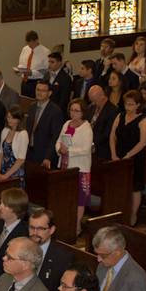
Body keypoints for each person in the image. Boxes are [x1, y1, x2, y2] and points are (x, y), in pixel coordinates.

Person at [111, 91, 146, 224]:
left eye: (131, 104)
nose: (128, 107)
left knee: (135, 186)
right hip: (119, 155)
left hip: (135, 157)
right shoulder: (120, 115)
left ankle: (133, 214)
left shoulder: (143, 119)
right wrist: (113, 154)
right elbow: (112, 135)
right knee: (118, 185)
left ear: (138, 105)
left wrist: (128, 156)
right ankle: (119, 212)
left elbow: (143, 142)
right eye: (126, 104)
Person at [58, 99, 93, 235]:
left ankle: (77, 225)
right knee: (66, 196)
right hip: (65, 166)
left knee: (80, 199)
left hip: (80, 168)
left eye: (76, 111)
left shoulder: (86, 128)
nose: (73, 113)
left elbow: (85, 149)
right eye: (71, 110)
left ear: (83, 112)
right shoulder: (67, 124)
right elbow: (60, 140)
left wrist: (69, 151)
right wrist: (59, 149)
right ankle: (66, 221)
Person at [28, 209, 73, 291]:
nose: (35, 233)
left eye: (40, 228)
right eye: (32, 227)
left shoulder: (63, 257)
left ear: (52, 230)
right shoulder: (21, 247)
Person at [27, 80, 65, 167]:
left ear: (50, 93)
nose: (39, 93)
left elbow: (55, 136)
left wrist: (48, 157)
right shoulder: (32, 107)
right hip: (30, 152)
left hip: (44, 155)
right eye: (37, 90)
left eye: (43, 91)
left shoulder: (55, 111)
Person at [0, 105, 30, 183]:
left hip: (15, 172)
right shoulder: (5, 130)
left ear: (19, 120)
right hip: (3, 169)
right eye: (8, 117)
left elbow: (21, 160)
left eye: (13, 118)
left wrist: (6, 176)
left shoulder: (23, 134)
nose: (10, 120)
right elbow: (0, 153)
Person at [87, 85, 119, 161]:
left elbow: (107, 133)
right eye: (92, 101)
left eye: (95, 100)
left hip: (102, 148)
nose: (93, 103)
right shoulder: (91, 107)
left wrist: (92, 143)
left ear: (102, 96)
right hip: (88, 143)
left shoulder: (113, 111)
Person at [18, 30, 50, 97]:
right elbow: (21, 63)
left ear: (37, 40)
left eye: (32, 43)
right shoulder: (25, 49)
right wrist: (19, 70)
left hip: (36, 83)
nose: (29, 45)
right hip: (25, 81)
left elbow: (47, 70)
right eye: (28, 43)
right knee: (24, 102)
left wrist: (32, 72)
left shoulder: (45, 52)